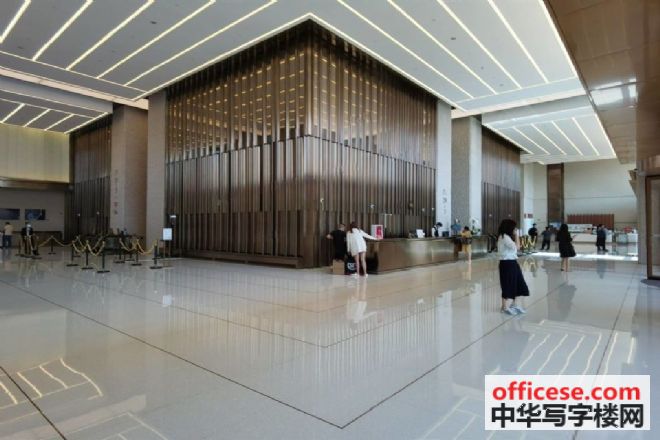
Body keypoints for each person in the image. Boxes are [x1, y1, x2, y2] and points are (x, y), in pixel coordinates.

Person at [497, 219, 529, 315]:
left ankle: (514, 304)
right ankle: (504, 307)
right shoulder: (504, 237)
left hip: (512, 262)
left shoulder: (507, 237)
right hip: (506, 263)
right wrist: (517, 235)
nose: (515, 229)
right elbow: (517, 247)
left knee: (518, 282)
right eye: (514, 228)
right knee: (507, 284)